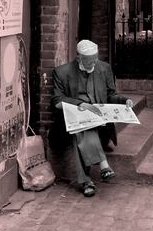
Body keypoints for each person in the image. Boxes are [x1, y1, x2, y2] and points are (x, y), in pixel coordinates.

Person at [50, 40, 133, 197]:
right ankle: (102, 165)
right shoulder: (62, 72)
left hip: (100, 123)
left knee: (83, 129)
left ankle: (86, 181)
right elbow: (57, 100)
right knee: (80, 127)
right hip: (72, 121)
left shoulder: (104, 68)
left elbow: (110, 94)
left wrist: (124, 101)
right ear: (79, 58)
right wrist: (80, 104)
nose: (94, 63)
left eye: (95, 59)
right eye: (89, 61)